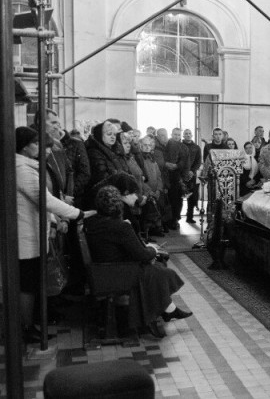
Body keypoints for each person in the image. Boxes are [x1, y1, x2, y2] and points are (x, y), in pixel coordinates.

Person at [15, 127, 95, 343]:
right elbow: (44, 199)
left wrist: (54, 219)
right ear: (24, 147)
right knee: (27, 285)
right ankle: (25, 328)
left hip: (34, 231)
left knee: (32, 283)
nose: (42, 148)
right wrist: (77, 214)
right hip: (26, 236)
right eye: (37, 143)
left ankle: (28, 324)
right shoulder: (22, 169)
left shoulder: (28, 166)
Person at [84, 186, 192, 338]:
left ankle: (168, 309)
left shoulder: (92, 222)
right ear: (118, 206)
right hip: (116, 274)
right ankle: (156, 315)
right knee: (158, 271)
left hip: (101, 272)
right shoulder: (121, 227)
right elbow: (142, 255)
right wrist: (153, 250)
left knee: (156, 269)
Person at [86, 121, 130, 189]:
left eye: (114, 134)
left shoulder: (117, 151)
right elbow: (102, 177)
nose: (113, 137)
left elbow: (127, 172)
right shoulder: (94, 152)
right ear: (100, 135)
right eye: (109, 134)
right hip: (108, 191)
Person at [182, 129, 202, 224]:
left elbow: (198, 161)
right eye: (186, 134)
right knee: (179, 197)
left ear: (192, 135)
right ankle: (176, 219)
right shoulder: (180, 146)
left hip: (192, 175)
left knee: (192, 197)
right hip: (181, 175)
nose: (188, 135)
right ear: (183, 135)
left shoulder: (196, 147)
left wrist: (192, 171)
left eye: (189, 133)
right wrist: (184, 171)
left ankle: (189, 217)